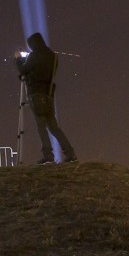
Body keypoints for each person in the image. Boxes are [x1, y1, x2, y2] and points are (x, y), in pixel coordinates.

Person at [16, 32, 78, 164]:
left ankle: (48, 156)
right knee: (54, 127)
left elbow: (23, 70)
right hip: (49, 95)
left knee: (41, 126)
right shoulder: (53, 57)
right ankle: (70, 154)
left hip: (36, 94)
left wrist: (18, 59)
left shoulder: (35, 55)